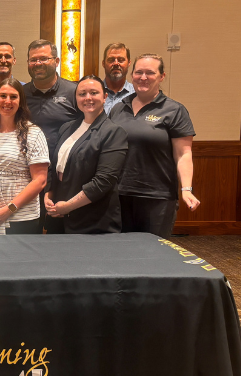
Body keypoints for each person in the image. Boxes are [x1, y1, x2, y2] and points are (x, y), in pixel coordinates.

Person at [109, 54, 200, 238]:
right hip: (119, 195)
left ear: (162, 76)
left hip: (157, 197)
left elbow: (183, 154)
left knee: (153, 255)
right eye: (139, 72)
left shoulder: (174, 110)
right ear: (132, 75)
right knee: (120, 254)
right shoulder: (119, 108)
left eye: (150, 73)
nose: (143, 77)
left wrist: (186, 189)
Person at [44, 75, 129, 234]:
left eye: (93, 93)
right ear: (76, 98)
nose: (88, 98)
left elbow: (103, 181)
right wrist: (48, 195)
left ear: (104, 97)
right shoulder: (67, 128)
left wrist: (68, 206)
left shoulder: (114, 132)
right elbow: (54, 166)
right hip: (59, 213)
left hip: (93, 219)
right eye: (82, 94)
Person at [0, 79, 49, 235]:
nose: (7, 101)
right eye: (3, 96)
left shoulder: (33, 133)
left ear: (20, 101)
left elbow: (40, 180)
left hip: (22, 218)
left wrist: (10, 209)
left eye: (13, 97)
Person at [22, 39, 83, 233]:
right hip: (27, 176)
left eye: (43, 59)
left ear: (56, 61)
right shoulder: (20, 94)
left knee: (60, 235)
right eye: (33, 60)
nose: (37, 64)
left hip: (63, 176)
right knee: (28, 232)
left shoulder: (74, 92)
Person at [101, 42, 135, 114]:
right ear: (103, 63)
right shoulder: (93, 93)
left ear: (129, 63)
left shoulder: (136, 94)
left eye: (121, 60)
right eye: (111, 60)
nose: (116, 63)